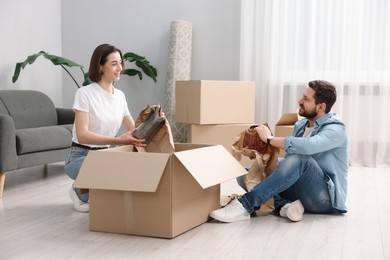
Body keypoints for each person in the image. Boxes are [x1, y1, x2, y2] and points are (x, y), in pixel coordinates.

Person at [210, 80, 349, 223]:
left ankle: (245, 205)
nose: (299, 101)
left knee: (301, 159)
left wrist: (270, 139)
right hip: (299, 193)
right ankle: (284, 207)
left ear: (321, 107)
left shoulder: (336, 129)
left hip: (323, 200)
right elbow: (289, 165)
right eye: (302, 96)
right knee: (247, 172)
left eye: (306, 99)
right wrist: (265, 161)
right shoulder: (300, 125)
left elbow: (308, 146)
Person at [64, 44, 153, 212]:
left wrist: (154, 122)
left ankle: (88, 187)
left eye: (120, 63)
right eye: (114, 63)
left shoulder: (120, 96)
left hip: (105, 155)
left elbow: (134, 130)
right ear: (100, 66)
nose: (120, 68)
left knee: (123, 171)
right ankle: (79, 190)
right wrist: (118, 140)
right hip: (79, 156)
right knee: (111, 172)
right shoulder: (85, 93)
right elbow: (82, 135)